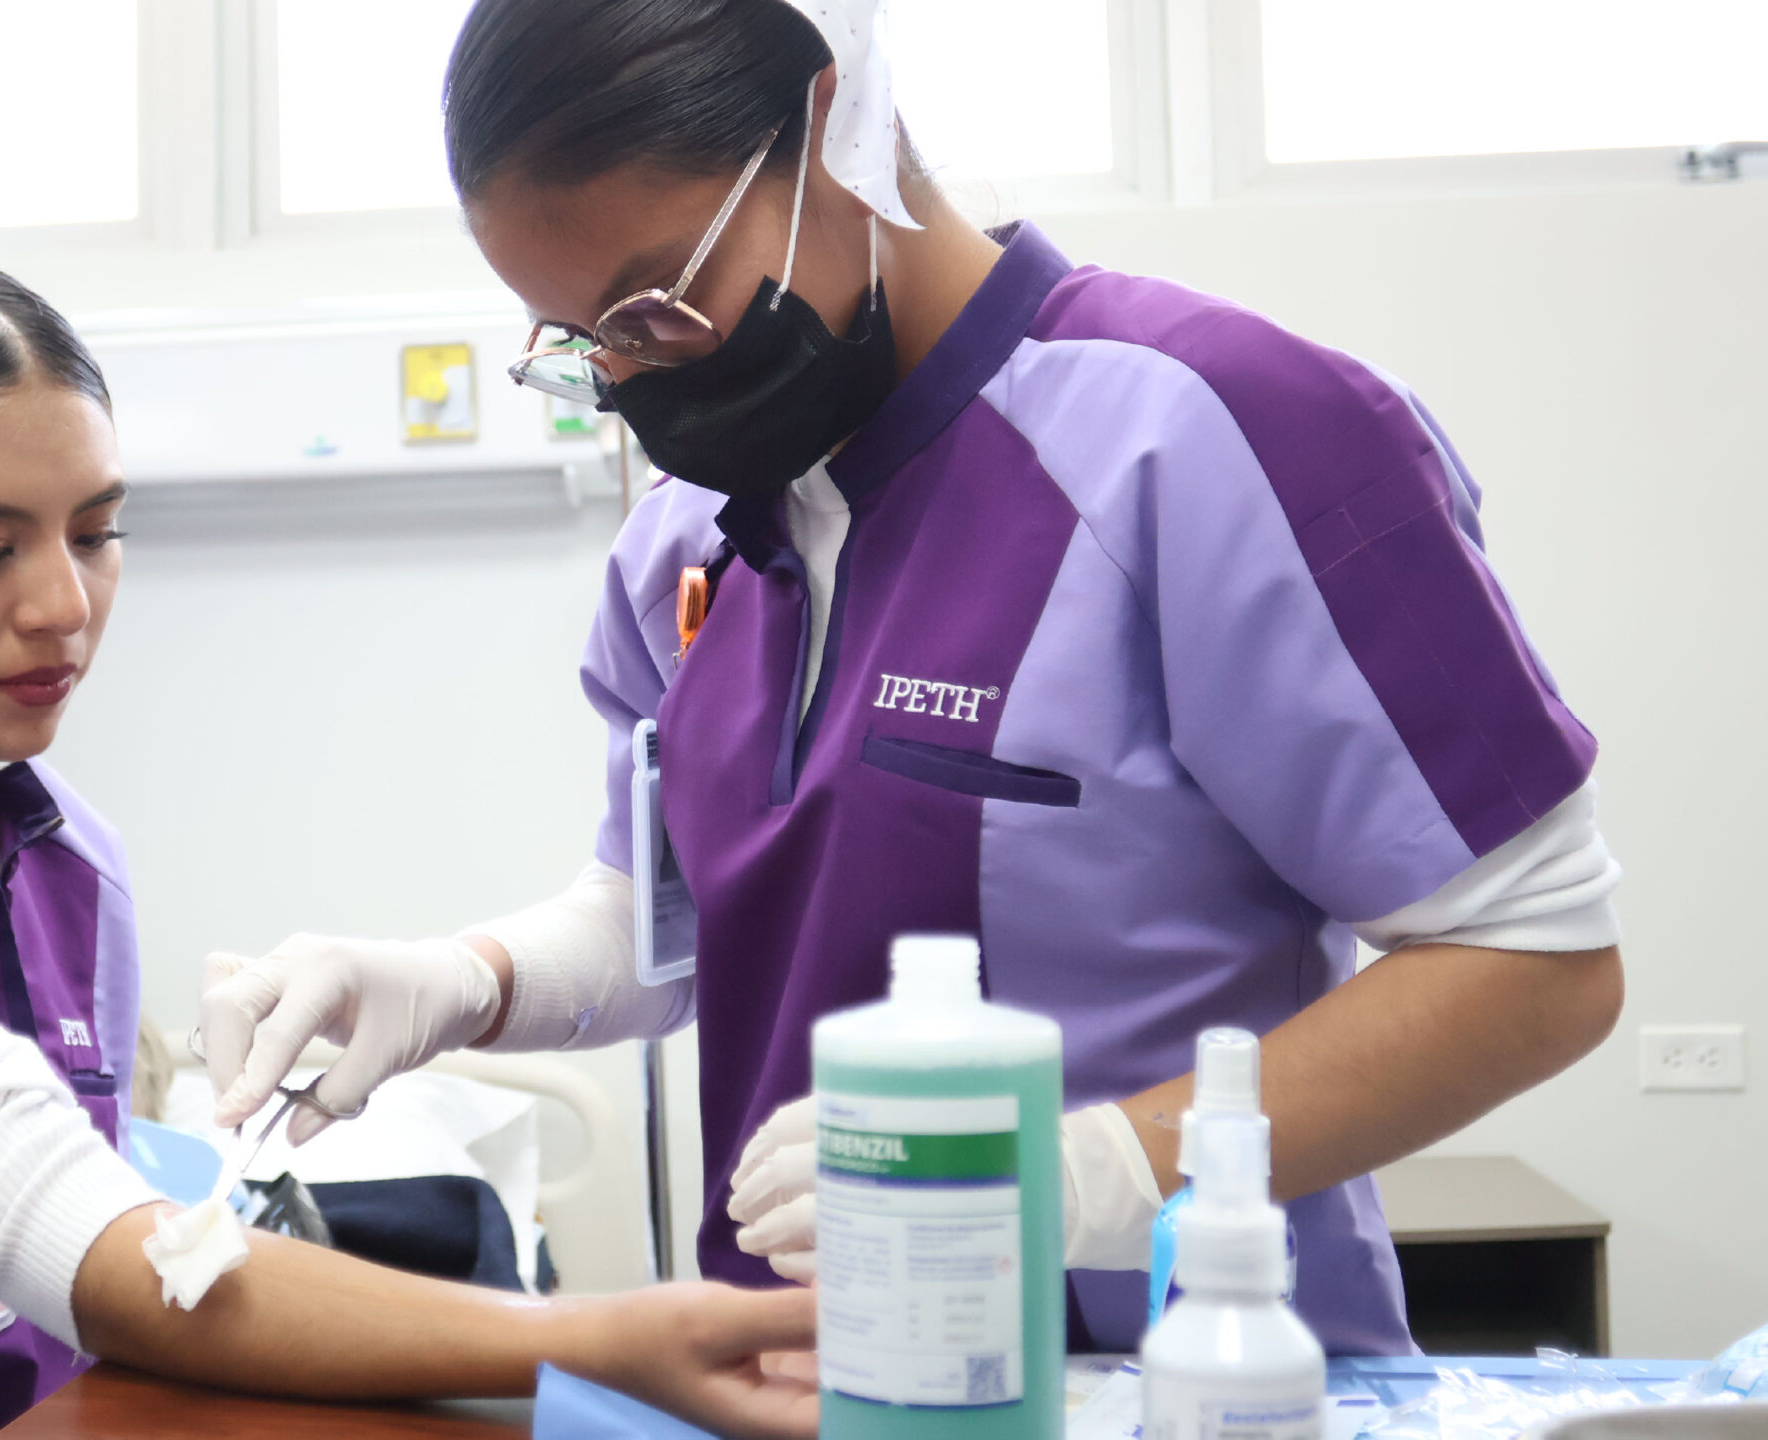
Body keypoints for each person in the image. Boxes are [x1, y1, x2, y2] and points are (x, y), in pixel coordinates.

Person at [199, 0, 1627, 1355]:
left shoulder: (1215, 436)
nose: (634, 380)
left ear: (838, 132)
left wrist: (1083, 1176)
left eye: (653, 304)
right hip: (796, 1375)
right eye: (585, 344)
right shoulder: (688, 543)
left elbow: (1536, 959)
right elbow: (675, 912)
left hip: (1177, 1379)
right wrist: (454, 984)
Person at [0, 252, 817, 1439]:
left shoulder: (64, 854)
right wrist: (594, 1341)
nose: (62, 606)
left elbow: (79, 1284)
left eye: (96, 533)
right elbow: (69, 1237)